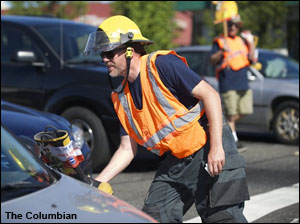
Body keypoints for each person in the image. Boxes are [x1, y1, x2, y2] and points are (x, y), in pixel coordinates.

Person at [84, 15, 250, 223]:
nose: (104, 59)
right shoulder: (120, 97)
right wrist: (98, 183)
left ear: (129, 50)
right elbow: (127, 149)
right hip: (177, 160)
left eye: (109, 53)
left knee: (222, 218)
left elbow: (211, 96)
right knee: (154, 218)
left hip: (208, 145)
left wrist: (217, 148)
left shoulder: (162, 65)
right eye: (102, 54)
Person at [210, 16, 256, 152]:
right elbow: (212, 60)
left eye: (235, 25)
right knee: (231, 114)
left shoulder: (241, 41)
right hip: (228, 82)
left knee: (245, 110)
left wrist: (251, 43)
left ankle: (223, 125)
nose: (233, 27)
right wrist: (221, 52)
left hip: (242, 81)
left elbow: (251, 59)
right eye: (230, 25)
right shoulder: (219, 41)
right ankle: (235, 141)